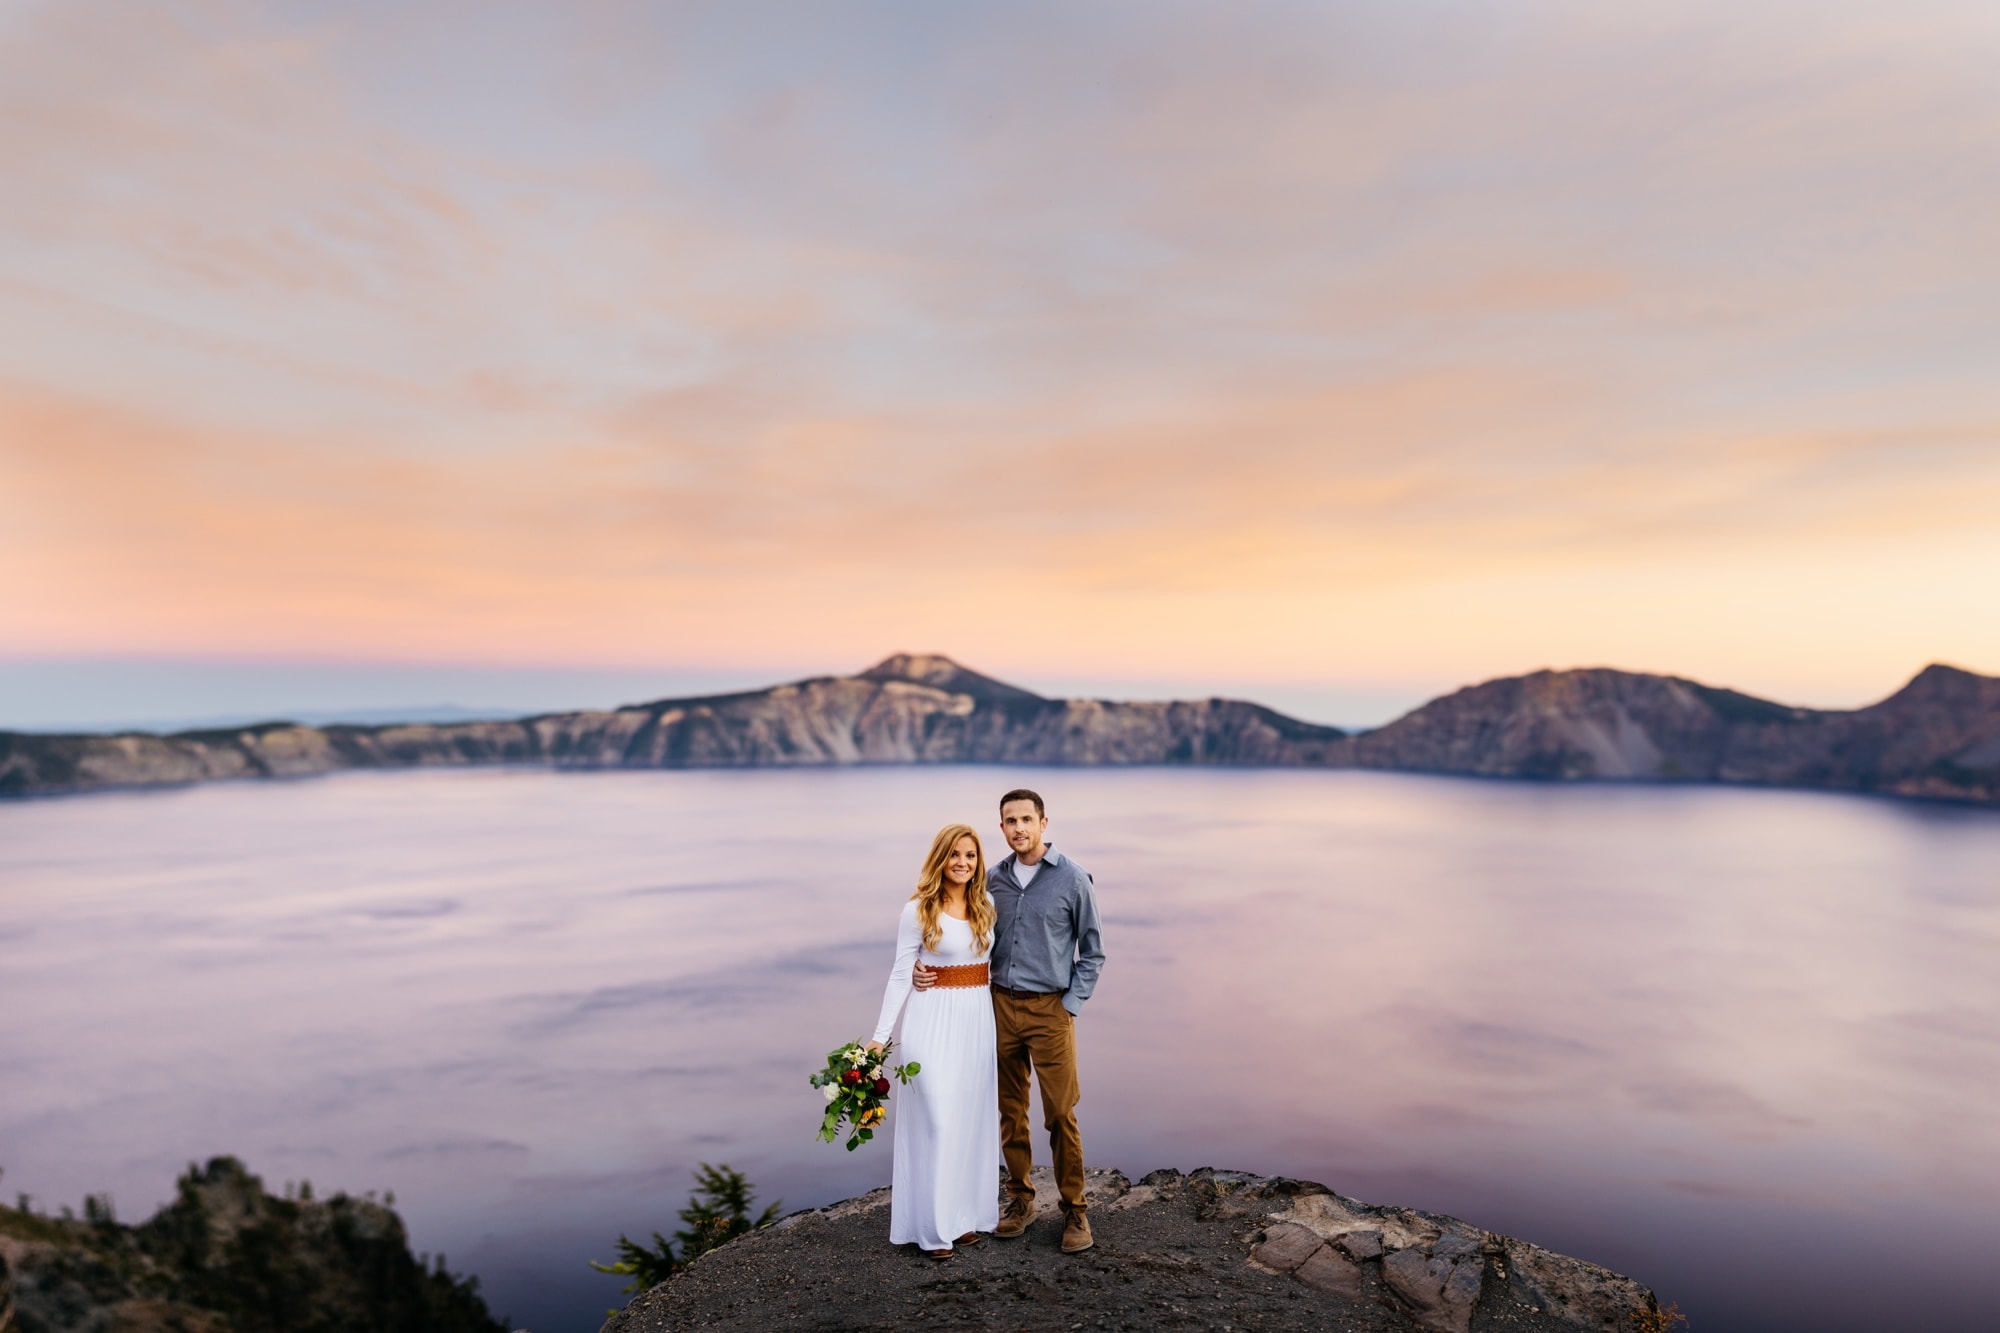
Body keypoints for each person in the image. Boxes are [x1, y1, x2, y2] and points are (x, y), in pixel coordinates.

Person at [914, 788, 1104, 1255]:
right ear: (1001, 828)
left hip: (1050, 1011)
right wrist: (924, 966)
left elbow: (1093, 951)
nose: (1018, 828)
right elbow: (959, 928)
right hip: (997, 1007)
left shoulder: (1074, 880)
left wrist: (1070, 1004)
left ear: (1043, 823)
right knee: (1009, 1110)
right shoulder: (991, 880)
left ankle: (1075, 1211)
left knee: (1060, 1113)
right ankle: (1020, 1201)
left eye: (1026, 819)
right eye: (1009, 821)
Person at [868, 823, 1001, 1259]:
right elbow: (900, 972)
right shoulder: (918, 910)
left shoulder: (986, 905)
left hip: (976, 1023)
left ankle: (960, 1219)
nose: (963, 863)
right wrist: (878, 1039)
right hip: (931, 1022)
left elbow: (986, 964)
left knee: (968, 1122)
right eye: (955, 855)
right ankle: (931, 1229)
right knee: (938, 1121)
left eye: (971, 855)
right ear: (940, 859)